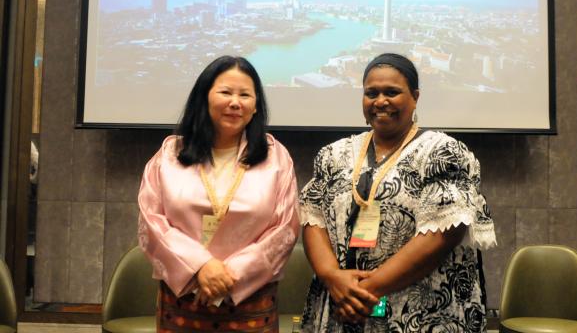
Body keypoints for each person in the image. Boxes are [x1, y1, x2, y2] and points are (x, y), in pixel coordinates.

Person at [300, 53, 496, 333]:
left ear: (415, 97)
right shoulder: (334, 154)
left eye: (392, 92)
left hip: (418, 315)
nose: (380, 101)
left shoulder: (441, 152)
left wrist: (366, 290)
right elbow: (312, 218)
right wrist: (332, 277)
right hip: (343, 308)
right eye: (371, 93)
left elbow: (445, 232)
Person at [138, 55, 300, 333]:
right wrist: (200, 268)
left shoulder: (275, 157)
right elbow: (152, 222)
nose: (235, 102)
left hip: (250, 301)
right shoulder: (170, 154)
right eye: (225, 92)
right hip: (184, 300)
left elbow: (285, 228)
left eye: (245, 95)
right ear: (204, 97)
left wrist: (228, 276)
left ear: (255, 106)